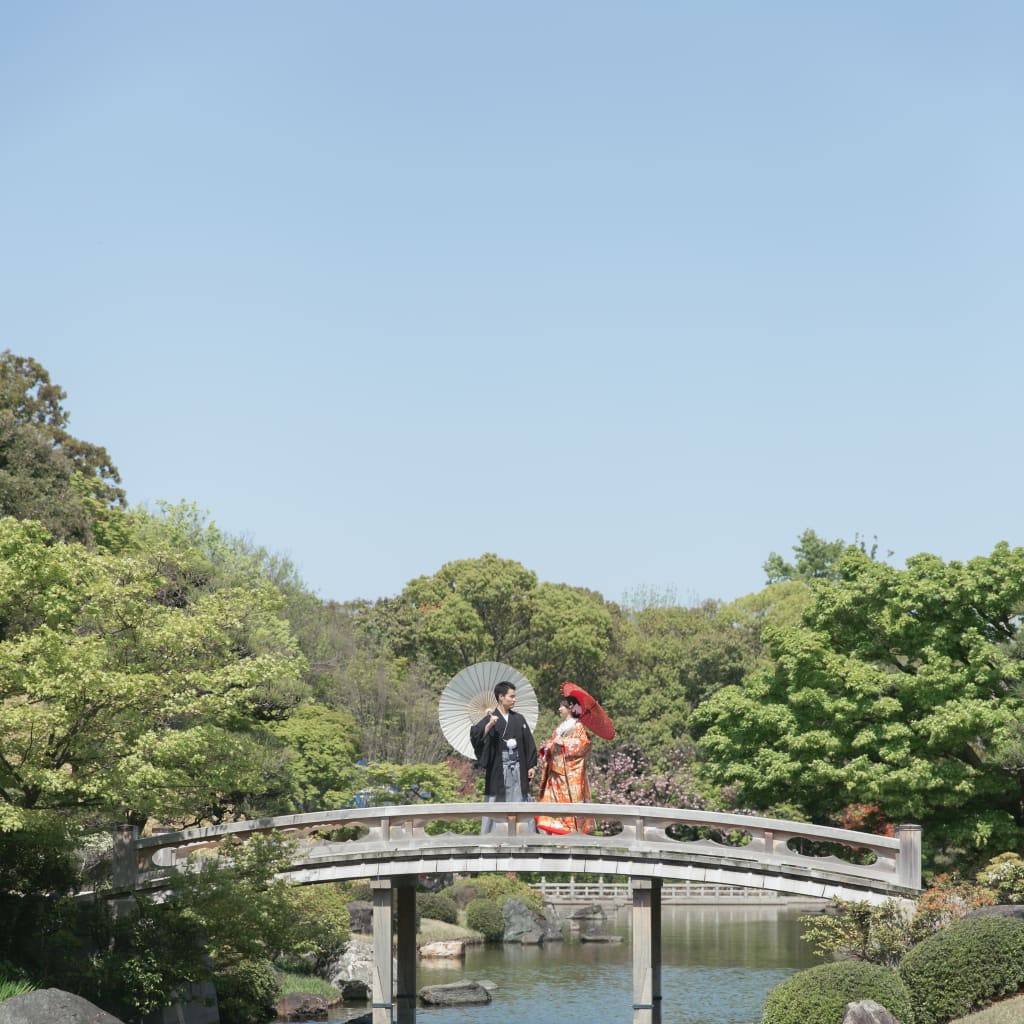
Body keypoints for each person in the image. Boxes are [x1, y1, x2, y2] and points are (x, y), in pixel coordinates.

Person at [469, 680, 538, 834]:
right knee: (496, 800)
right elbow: (476, 736)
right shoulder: (490, 719)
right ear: (501, 697)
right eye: (511, 696)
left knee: (521, 798)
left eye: (514, 696)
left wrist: (531, 765)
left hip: (519, 767)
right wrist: (489, 726)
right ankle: (492, 838)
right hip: (499, 768)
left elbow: (528, 742)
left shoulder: (519, 719)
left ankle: (524, 836)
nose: (514, 699)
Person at [535, 697, 595, 835]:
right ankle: (558, 833)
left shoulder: (578, 726)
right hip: (556, 772)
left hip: (571, 774)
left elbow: (585, 745)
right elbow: (553, 744)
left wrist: (564, 743)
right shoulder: (560, 727)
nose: (559, 709)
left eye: (561, 706)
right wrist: (548, 747)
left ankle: (572, 835)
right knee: (555, 804)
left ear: (570, 708)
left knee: (571, 804)